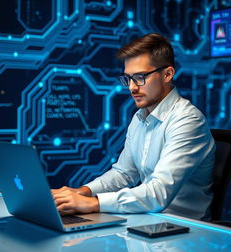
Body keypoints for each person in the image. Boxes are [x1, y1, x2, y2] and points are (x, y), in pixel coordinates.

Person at [51, 33, 215, 220]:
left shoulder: (188, 120)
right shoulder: (139, 117)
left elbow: (158, 193)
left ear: (167, 74)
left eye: (139, 77)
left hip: (184, 233)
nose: (131, 88)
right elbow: (123, 174)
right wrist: (83, 192)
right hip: (146, 220)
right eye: (127, 78)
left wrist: (93, 203)